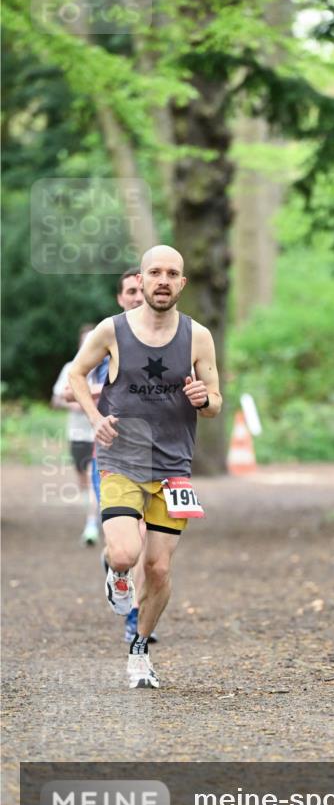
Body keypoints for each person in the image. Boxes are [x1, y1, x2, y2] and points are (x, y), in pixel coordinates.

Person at [68, 245, 222, 688]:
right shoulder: (112, 330)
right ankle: (116, 575)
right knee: (124, 553)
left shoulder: (198, 336)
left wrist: (204, 400)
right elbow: (78, 374)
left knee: (158, 569)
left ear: (182, 283)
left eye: (172, 273)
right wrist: (96, 419)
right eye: (155, 272)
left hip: (173, 467)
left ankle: (139, 651)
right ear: (142, 277)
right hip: (122, 460)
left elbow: (214, 401)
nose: (162, 280)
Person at [93, 266, 152, 643]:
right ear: (121, 297)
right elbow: (77, 381)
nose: (136, 296)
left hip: (159, 457)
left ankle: (134, 619)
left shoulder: (165, 340)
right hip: (113, 456)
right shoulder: (109, 339)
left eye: (140, 290)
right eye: (130, 291)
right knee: (127, 546)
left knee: (146, 538)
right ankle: (115, 562)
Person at [51, 325, 102, 546]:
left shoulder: (107, 367)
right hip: (78, 433)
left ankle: (92, 524)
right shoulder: (70, 368)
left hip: (101, 434)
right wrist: (76, 404)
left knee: (94, 478)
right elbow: (56, 399)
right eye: (85, 341)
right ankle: (93, 513)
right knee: (83, 480)